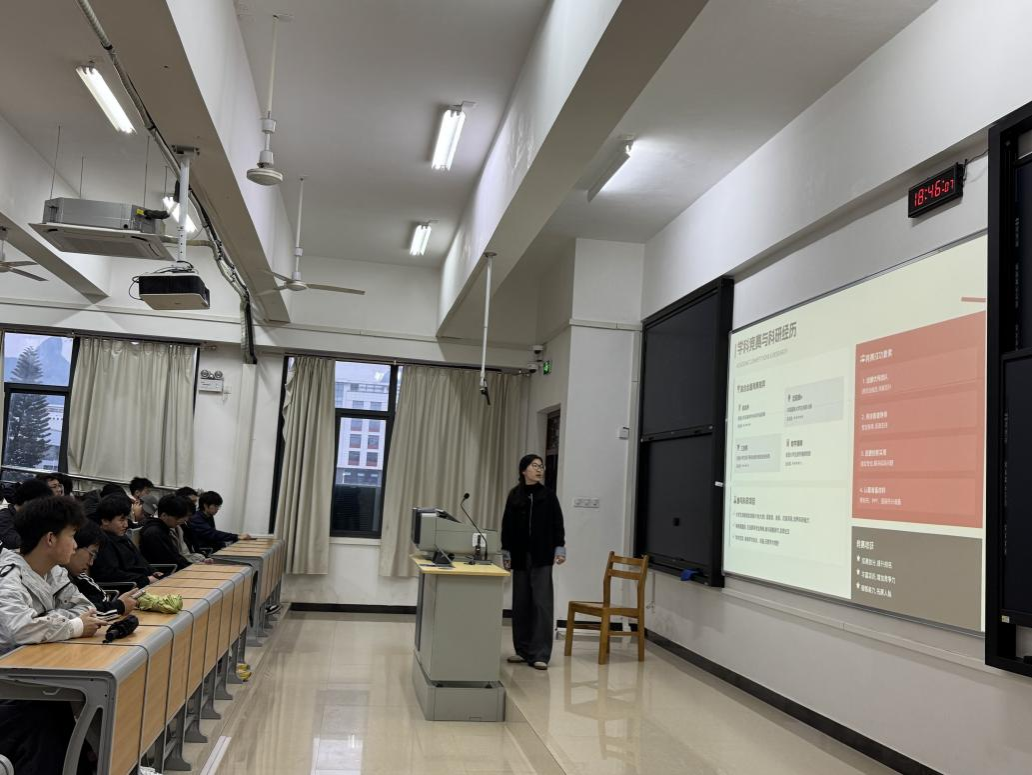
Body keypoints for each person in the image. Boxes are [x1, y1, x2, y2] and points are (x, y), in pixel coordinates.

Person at [0, 496, 108, 775]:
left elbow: (86, 608)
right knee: (47, 715)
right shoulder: (8, 576)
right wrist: (73, 627)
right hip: (9, 687)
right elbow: (21, 628)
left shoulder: (54, 573)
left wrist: (52, 620)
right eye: (71, 535)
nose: (75, 544)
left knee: (82, 704)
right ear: (50, 539)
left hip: (35, 674)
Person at [500, 454, 566, 671]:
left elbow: (558, 524)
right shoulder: (515, 495)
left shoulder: (548, 496)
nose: (539, 470)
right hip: (519, 556)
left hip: (542, 556)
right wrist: (506, 553)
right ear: (523, 470)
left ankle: (540, 654)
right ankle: (522, 650)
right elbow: (507, 526)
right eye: (534, 466)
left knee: (541, 605)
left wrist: (560, 548)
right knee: (521, 604)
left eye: (541, 466)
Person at [64, 518, 139, 616]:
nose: (91, 563)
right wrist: (118, 606)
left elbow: (100, 599)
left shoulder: (78, 577)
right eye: (91, 554)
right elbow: (76, 615)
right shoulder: (54, 578)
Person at [90, 494, 161, 587]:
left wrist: (153, 571)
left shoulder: (121, 536)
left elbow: (140, 560)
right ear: (105, 521)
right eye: (121, 520)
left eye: (127, 519)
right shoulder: (102, 542)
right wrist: (145, 579)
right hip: (130, 589)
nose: (126, 525)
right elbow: (111, 575)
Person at [139, 494, 193, 571]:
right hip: (165, 573)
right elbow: (170, 560)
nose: (182, 521)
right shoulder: (154, 533)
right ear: (164, 515)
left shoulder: (162, 529)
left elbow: (175, 558)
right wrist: (191, 567)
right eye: (177, 518)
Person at [185, 490, 252, 552]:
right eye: (215, 506)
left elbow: (214, 536)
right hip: (204, 551)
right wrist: (236, 536)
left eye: (219, 506)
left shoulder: (209, 515)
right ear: (205, 505)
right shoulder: (195, 518)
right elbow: (212, 534)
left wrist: (226, 544)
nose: (217, 509)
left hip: (212, 548)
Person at [0, 479, 52, 550]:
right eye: (40, 505)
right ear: (28, 502)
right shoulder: (4, 517)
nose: (42, 510)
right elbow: (14, 542)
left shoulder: (27, 517)